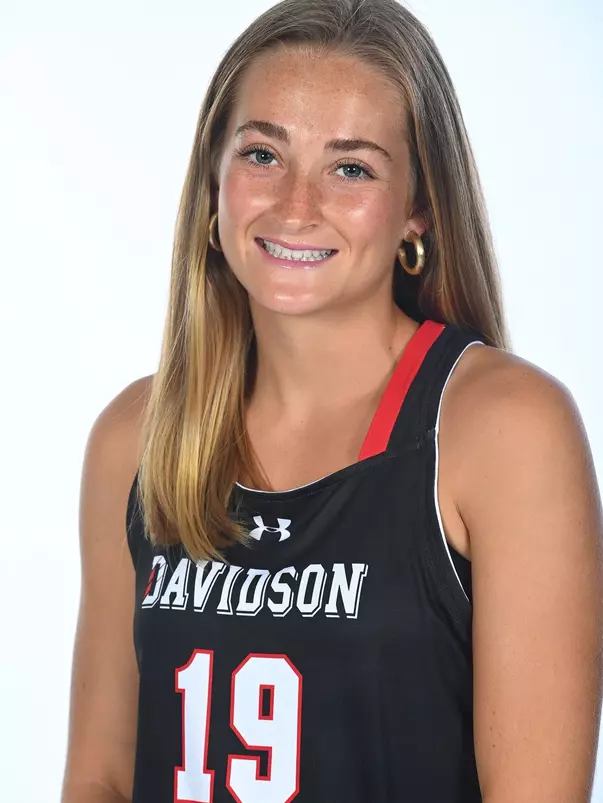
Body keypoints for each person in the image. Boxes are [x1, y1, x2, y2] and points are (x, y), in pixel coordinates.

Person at [61, 0, 603, 801]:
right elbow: (100, 778)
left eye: (351, 167)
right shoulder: (136, 437)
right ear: (213, 184)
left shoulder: (501, 431)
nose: (295, 206)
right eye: (261, 154)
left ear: (418, 207)